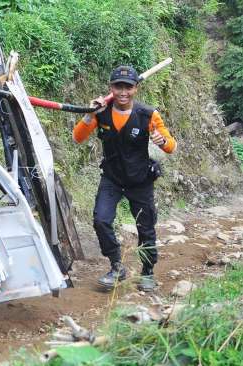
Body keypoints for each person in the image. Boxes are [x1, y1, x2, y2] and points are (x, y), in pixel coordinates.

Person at [72, 65, 176, 292]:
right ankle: (117, 267)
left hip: (140, 180)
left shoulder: (148, 114)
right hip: (112, 178)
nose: (123, 92)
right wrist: (89, 114)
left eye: (128, 87)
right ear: (111, 88)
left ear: (135, 89)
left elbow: (171, 146)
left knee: (146, 227)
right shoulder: (101, 112)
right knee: (101, 220)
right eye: (118, 86)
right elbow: (78, 137)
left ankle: (147, 272)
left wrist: (161, 141)